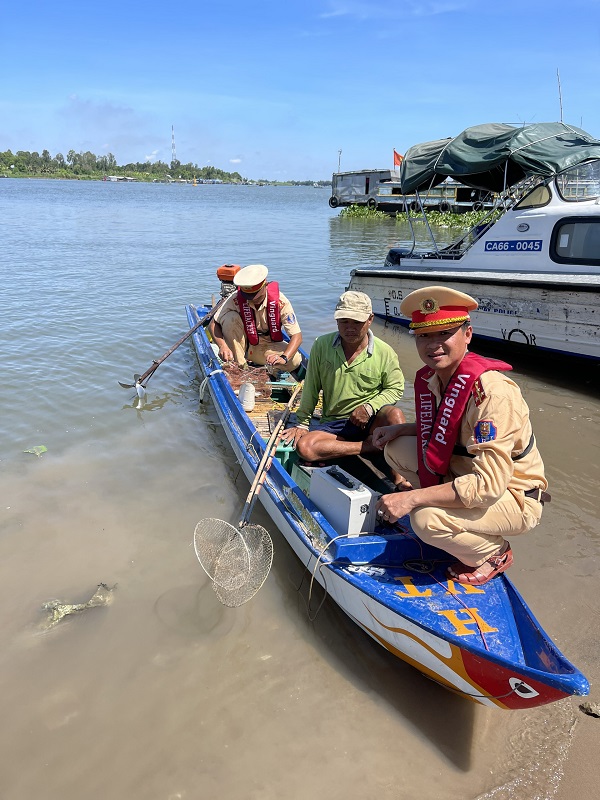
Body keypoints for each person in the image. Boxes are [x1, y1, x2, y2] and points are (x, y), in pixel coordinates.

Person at [373, 285, 549, 586]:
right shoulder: (438, 378)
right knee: (397, 447)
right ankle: (455, 517)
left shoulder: (492, 393)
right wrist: (402, 427)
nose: (433, 344)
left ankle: (494, 552)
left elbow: (488, 486)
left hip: (514, 495)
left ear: (467, 334)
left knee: (424, 519)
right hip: (467, 473)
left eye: (444, 333)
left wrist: (413, 499)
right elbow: (449, 428)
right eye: (424, 335)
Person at [281, 291, 406, 465]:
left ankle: (401, 477)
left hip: (369, 421)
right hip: (334, 424)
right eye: (344, 321)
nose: (350, 328)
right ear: (336, 320)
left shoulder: (385, 352)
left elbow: (395, 388)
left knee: (395, 416)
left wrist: (370, 407)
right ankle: (367, 447)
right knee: (305, 448)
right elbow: (311, 387)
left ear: (370, 319)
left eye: (357, 322)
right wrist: (302, 423)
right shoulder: (321, 345)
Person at [210, 264, 303, 374]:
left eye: (257, 296)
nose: (253, 300)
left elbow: (297, 336)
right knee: (230, 318)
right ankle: (240, 365)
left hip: (266, 346)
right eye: (249, 297)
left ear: (265, 285)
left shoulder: (280, 301)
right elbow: (213, 324)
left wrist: (284, 357)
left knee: (295, 360)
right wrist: (222, 346)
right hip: (241, 345)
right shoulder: (236, 297)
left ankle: (265, 369)